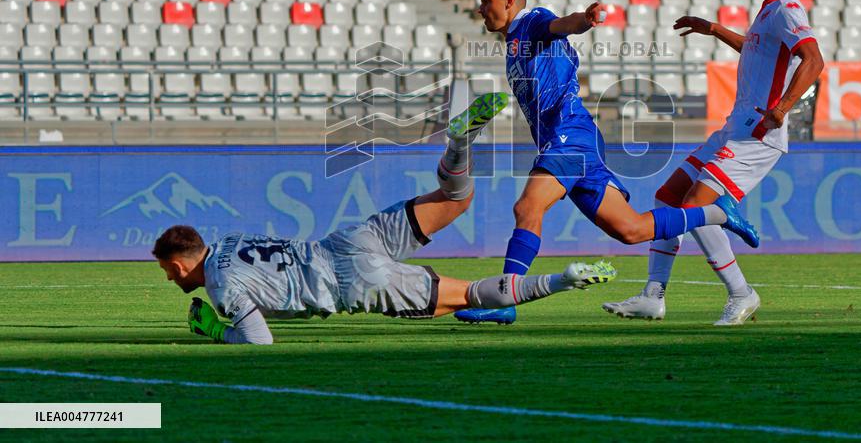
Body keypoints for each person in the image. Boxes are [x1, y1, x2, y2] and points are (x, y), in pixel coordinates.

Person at [155, 95, 619, 345]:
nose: (170, 279)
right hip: (348, 241)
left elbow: (259, 341)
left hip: (353, 281)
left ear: (178, 265)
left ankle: (563, 279)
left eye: (167, 271)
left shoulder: (221, 289)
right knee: (456, 198)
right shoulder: (230, 240)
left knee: (469, 295)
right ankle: (458, 146)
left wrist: (215, 329)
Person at [455, 0, 760, 325]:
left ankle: (504, 299)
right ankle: (717, 213)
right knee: (630, 230)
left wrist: (585, 20)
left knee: (527, 207)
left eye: (487, 1)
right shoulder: (515, 44)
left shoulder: (531, 21)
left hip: (570, 134)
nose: (481, 9)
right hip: (575, 139)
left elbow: (561, 25)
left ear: (509, 1)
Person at [603, 0, 825, 326]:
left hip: (758, 133)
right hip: (736, 126)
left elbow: (814, 60)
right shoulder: (770, 9)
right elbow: (755, 50)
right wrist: (715, 29)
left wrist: (782, 109)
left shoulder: (788, 8)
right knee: (669, 197)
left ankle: (741, 292)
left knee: (694, 206)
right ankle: (653, 296)